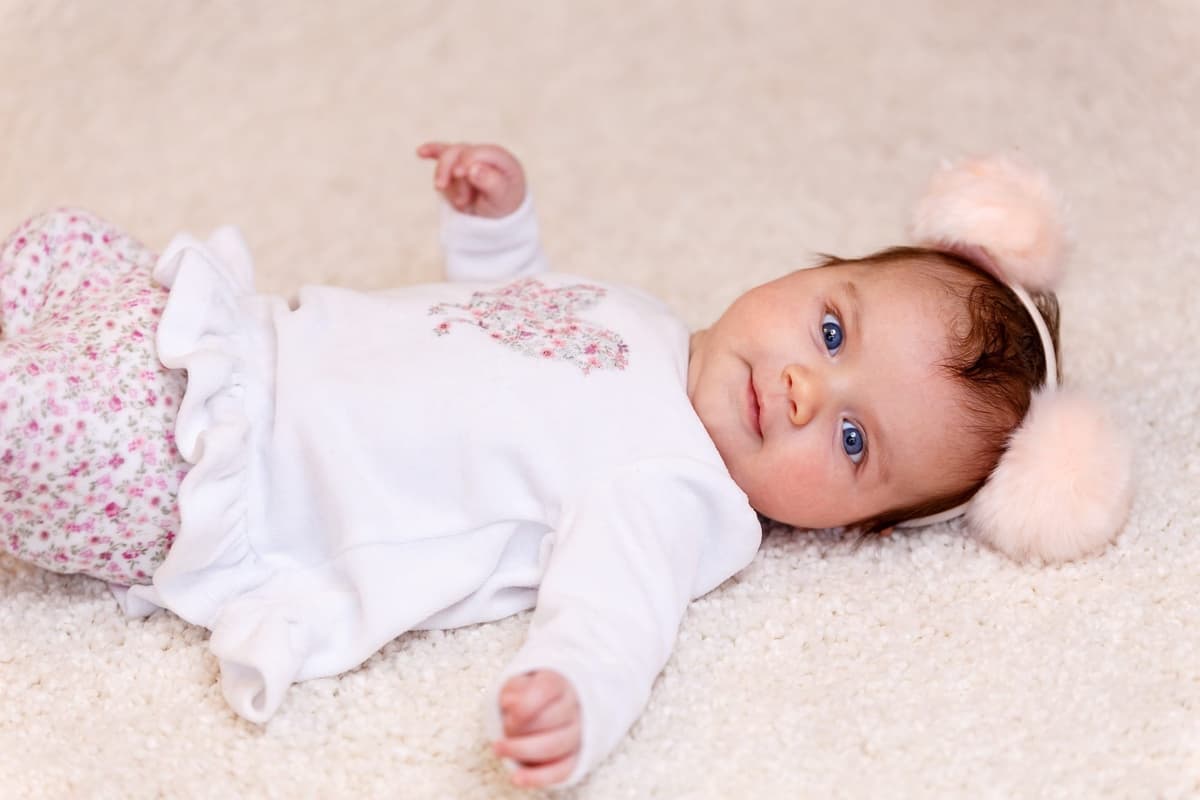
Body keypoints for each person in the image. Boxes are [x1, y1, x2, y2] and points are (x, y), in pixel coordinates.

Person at [0, 143, 1131, 789]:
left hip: (215, 474)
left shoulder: (677, 493)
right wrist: (498, 227)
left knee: (28, 422)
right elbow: (516, 318)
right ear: (811, 270)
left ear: (849, 527)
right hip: (243, 348)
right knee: (59, 248)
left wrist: (575, 705)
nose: (804, 390)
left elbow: (614, 620)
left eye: (851, 441)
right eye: (833, 334)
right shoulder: (646, 316)